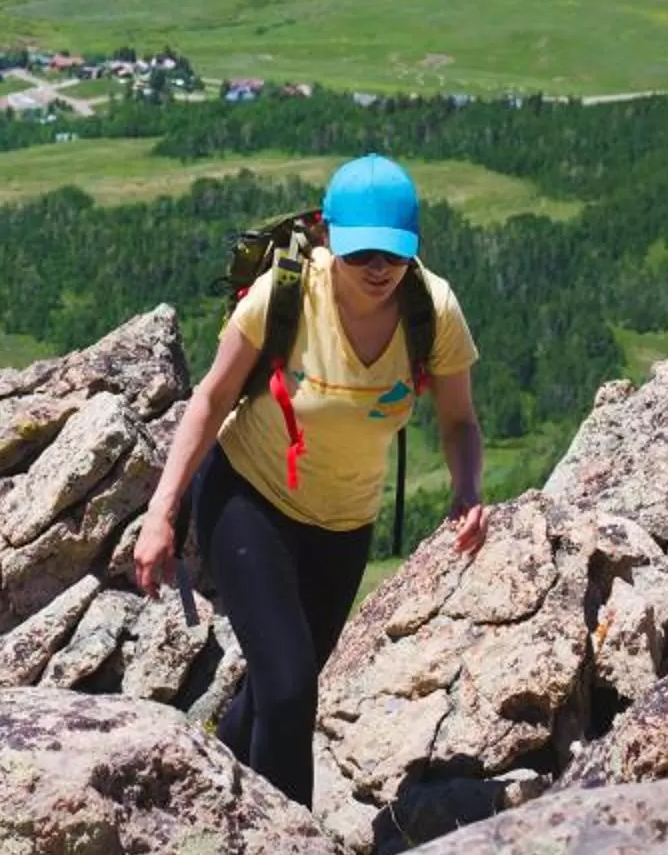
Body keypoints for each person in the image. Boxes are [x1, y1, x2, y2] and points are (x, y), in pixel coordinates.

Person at [132, 153, 485, 804]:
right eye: (360, 254)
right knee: (292, 687)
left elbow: (460, 421)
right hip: (247, 499)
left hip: (344, 526)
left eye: (394, 254)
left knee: (277, 691)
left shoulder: (432, 309)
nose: (378, 268)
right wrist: (161, 512)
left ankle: (207, 784)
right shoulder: (286, 295)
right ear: (327, 236)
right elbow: (210, 399)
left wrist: (466, 490)